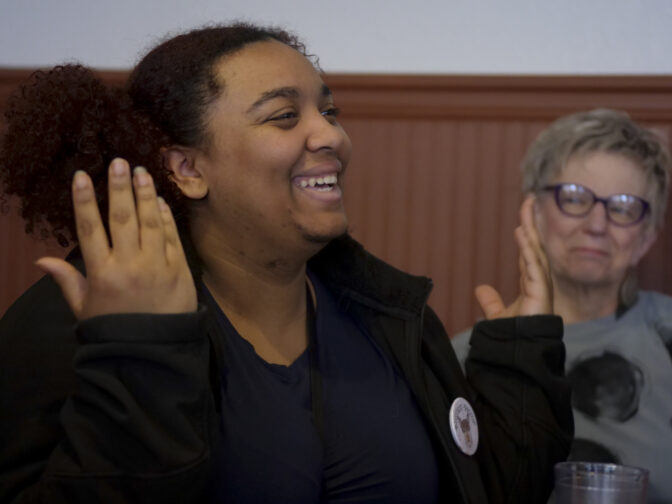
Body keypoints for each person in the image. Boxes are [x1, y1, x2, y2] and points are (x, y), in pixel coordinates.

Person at [0, 23, 572, 503]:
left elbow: (493, 489)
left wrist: (519, 362)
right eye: (282, 116)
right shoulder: (85, 316)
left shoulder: (390, 317)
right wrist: (140, 352)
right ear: (188, 169)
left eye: (328, 110)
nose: (332, 135)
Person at [452, 108, 672, 503]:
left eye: (622, 206)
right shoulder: (471, 356)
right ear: (534, 212)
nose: (597, 224)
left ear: (648, 235)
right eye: (574, 198)